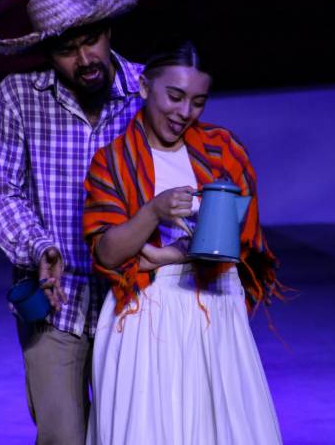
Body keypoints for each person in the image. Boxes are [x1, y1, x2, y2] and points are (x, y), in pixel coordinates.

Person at [83, 42, 285, 445]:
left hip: (216, 308)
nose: (184, 112)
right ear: (145, 87)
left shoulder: (223, 151)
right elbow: (108, 253)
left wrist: (159, 255)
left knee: (220, 429)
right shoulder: (114, 161)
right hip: (145, 316)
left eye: (197, 102)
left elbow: (234, 244)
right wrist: (153, 212)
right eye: (174, 97)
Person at [0, 0, 145, 444]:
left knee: (130, 434)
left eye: (90, 41)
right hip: (56, 303)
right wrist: (40, 247)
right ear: (47, 54)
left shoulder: (147, 92)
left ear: (108, 31)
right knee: (63, 437)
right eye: (66, 50)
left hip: (132, 301)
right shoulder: (18, 97)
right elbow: (1, 192)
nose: (84, 58)